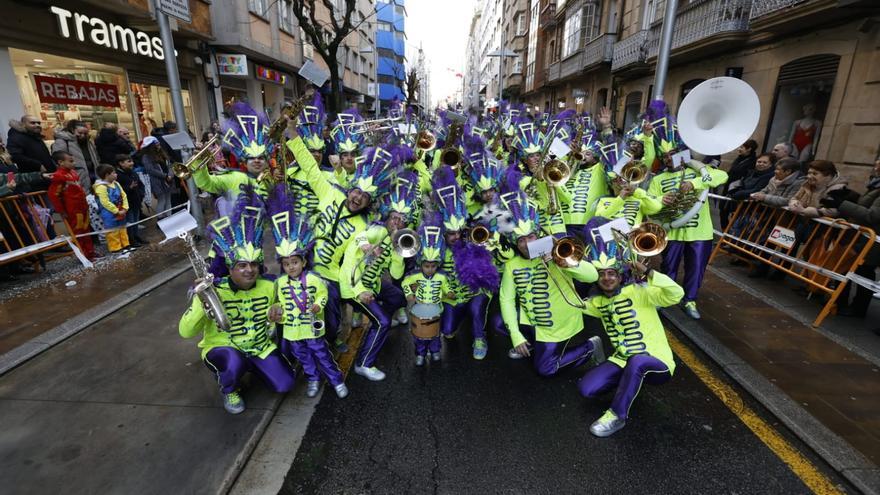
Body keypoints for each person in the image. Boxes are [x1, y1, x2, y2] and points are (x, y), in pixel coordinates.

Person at [179, 203, 296, 415]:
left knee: (285, 384)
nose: (249, 270)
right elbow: (185, 332)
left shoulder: (270, 285)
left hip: (259, 347)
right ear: (230, 268)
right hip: (223, 347)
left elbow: (284, 312)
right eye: (242, 265)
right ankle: (229, 387)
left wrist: (279, 313)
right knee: (233, 362)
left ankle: (252, 367)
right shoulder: (212, 290)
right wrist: (201, 302)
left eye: (253, 264)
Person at [578, 226, 684, 437]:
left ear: (620, 275)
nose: (607, 278)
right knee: (586, 389)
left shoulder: (640, 292)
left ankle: (616, 416)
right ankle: (630, 381)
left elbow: (676, 294)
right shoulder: (597, 302)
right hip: (621, 360)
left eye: (611, 273)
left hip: (656, 362)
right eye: (601, 274)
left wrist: (648, 272)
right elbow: (573, 303)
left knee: (638, 361)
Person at [497, 187, 603, 375]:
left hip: (556, 325)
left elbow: (593, 276)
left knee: (545, 369)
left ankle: (590, 347)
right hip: (532, 320)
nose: (528, 243)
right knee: (499, 323)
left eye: (531, 237)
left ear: (537, 234)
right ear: (515, 242)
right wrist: (515, 335)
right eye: (522, 240)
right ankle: (529, 344)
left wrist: (562, 262)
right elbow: (506, 299)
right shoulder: (512, 264)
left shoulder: (556, 250)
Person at [267, 187, 349, 399]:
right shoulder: (280, 282)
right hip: (293, 331)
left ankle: (336, 380)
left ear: (303, 262)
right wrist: (275, 311)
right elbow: (278, 303)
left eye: (294, 262)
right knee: (303, 357)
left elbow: (323, 295)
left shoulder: (314, 279)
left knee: (322, 354)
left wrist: (318, 305)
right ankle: (313, 379)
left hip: (312, 328)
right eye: (286, 264)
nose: (291, 267)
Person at [648, 122, 728, 320]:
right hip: (672, 230)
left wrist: (694, 183)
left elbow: (722, 175)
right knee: (669, 266)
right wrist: (660, 200)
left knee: (696, 268)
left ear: (681, 153)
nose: (668, 159)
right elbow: (649, 203)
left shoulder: (698, 172)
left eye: (672, 154)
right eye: (664, 156)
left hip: (699, 232)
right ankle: (664, 297)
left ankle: (690, 300)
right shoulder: (658, 180)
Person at [338, 164, 407, 381]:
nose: (397, 222)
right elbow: (354, 252)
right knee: (383, 322)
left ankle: (377, 317)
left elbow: (396, 274)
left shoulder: (393, 237)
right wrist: (359, 291)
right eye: (394, 218)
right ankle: (364, 363)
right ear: (387, 217)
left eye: (401, 219)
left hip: (372, 285)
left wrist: (398, 249)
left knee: (397, 296)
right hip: (353, 286)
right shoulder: (377, 230)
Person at [819, 158, 880, 321]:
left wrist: (842, 203)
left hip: (872, 239)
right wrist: (848, 196)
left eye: (879, 163)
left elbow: (872, 215)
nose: (875, 165)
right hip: (862, 237)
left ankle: (858, 308)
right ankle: (842, 302)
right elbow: (865, 204)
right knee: (853, 268)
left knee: (864, 271)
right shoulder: (875, 184)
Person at [403, 223, 454, 366]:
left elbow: (446, 287)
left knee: (435, 334)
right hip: (419, 309)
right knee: (419, 335)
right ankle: (420, 353)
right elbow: (405, 283)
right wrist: (408, 294)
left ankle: (435, 351)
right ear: (420, 263)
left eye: (433, 266)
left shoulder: (442, 277)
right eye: (426, 266)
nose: (430, 269)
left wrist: (449, 292)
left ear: (438, 264)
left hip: (437, 310)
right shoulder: (415, 275)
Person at [47, 151, 95, 260]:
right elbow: (53, 195)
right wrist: (61, 211)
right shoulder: (58, 176)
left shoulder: (73, 172)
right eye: (71, 161)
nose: (74, 163)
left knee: (86, 229)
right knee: (78, 232)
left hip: (82, 206)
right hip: (72, 209)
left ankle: (91, 252)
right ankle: (84, 255)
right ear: (60, 162)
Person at [720, 153, 776, 230]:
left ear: (771, 165)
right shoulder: (751, 173)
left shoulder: (769, 177)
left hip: (755, 211)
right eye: (759, 162)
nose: (761, 164)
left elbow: (756, 190)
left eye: (765, 162)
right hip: (740, 208)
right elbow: (742, 185)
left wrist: (738, 194)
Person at [93, 164, 132, 255]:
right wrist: (117, 211)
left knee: (122, 228)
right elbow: (105, 202)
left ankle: (125, 244)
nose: (116, 174)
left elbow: (123, 195)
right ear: (107, 175)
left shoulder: (116, 184)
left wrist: (125, 208)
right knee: (112, 230)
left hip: (121, 210)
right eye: (114, 173)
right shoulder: (101, 187)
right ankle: (115, 247)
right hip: (109, 213)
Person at [51, 120, 99, 190]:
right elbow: (58, 159)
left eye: (85, 133)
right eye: (80, 133)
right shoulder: (62, 141)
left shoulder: (88, 141)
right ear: (73, 130)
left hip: (93, 174)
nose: (83, 136)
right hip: (76, 176)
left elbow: (96, 157)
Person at [113, 154, 147, 246]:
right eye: (129, 162)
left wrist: (141, 193)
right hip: (127, 204)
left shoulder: (133, 172)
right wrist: (129, 187)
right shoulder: (118, 176)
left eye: (131, 161)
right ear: (121, 163)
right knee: (130, 222)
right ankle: (131, 240)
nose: (132, 163)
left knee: (136, 221)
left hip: (136, 201)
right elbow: (118, 190)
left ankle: (136, 236)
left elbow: (140, 184)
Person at [139, 136, 174, 218]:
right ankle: (160, 219)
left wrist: (170, 174)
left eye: (158, 143)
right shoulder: (146, 157)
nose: (158, 145)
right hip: (158, 182)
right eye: (156, 143)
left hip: (168, 180)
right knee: (162, 200)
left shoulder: (162, 153)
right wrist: (165, 176)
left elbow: (169, 165)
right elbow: (150, 170)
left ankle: (170, 218)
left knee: (168, 200)